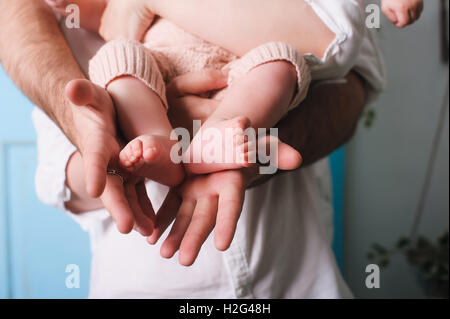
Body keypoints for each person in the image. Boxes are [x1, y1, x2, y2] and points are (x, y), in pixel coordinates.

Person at [0, 0, 385, 298]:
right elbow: (64, 178)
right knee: (117, 62)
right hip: (144, 285)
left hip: (293, 278)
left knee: (280, 60)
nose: (57, 5)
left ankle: (225, 126)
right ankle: (160, 143)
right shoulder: (50, 40)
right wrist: (121, 141)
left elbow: (338, 52)